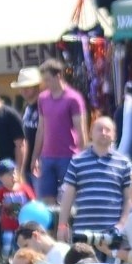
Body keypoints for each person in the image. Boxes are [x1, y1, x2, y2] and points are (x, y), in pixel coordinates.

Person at [57, 117, 132, 247]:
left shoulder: (124, 163)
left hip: (112, 234)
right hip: (83, 232)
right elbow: (68, 195)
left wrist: (122, 223)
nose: (103, 133)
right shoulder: (77, 161)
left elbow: (129, 198)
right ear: (91, 133)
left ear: (114, 135)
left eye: (108, 130)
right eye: (99, 129)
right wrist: (62, 225)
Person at [31, 58, 88, 204]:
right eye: (44, 80)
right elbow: (41, 129)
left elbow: (80, 130)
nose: (46, 84)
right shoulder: (43, 98)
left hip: (68, 156)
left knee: (69, 198)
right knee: (47, 198)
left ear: (58, 76)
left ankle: (67, 226)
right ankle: (54, 227)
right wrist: (35, 157)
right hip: (47, 156)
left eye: (48, 80)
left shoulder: (73, 99)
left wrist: (83, 158)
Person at [0, 158, 35, 259]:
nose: (13, 176)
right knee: (7, 241)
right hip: (8, 226)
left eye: (14, 173)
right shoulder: (1, 191)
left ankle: (23, 260)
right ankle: (6, 260)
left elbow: (33, 202)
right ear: (1, 178)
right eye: (9, 174)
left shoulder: (25, 188)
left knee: (22, 245)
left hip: (23, 225)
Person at [10, 67, 41, 188]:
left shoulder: (44, 105)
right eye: (21, 87)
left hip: (40, 164)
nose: (23, 90)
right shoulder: (26, 108)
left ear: (37, 86)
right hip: (27, 165)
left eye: (27, 87)